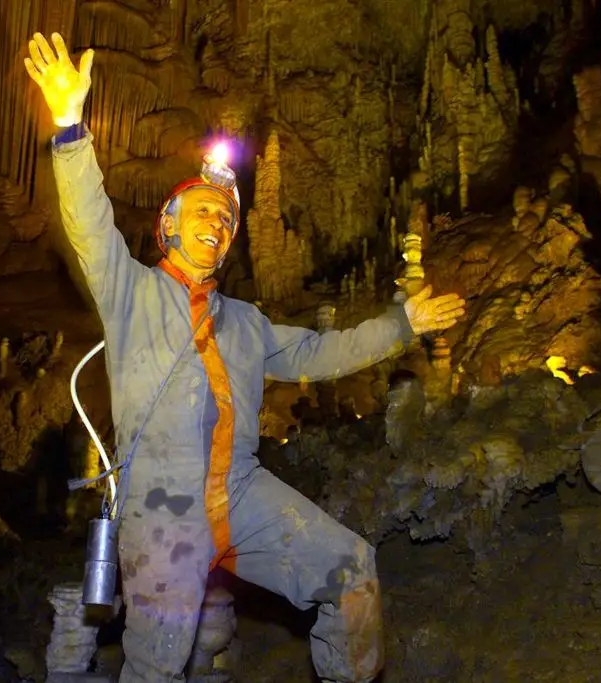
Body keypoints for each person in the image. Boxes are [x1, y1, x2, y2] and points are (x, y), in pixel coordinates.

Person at [24, 32, 466, 683]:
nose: (216, 223)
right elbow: (89, 221)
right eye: (201, 210)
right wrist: (69, 125)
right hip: (162, 502)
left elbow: (323, 353)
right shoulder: (132, 292)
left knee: (350, 569)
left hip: (241, 490)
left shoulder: (245, 323)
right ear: (169, 225)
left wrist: (403, 323)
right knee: (158, 663)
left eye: (226, 220)